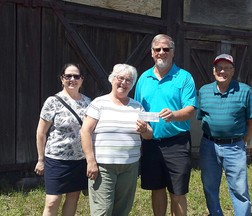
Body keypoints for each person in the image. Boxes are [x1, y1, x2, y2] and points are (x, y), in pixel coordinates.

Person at [134, 34, 198, 216]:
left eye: (166, 49)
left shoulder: (184, 77)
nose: (161, 52)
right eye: (157, 49)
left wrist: (174, 115)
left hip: (176, 143)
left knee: (177, 192)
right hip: (151, 142)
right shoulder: (143, 78)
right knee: (157, 188)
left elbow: (191, 109)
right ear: (152, 53)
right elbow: (139, 110)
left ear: (173, 52)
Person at [80, 63, 153, 216]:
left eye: (129, 80)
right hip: (103, 167)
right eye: (120, 78)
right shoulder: (99, 103)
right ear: (112, 79)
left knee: (122, 210)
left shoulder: (137, 106)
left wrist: (144, 129)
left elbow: (149, 135)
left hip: (129, 167)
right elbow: (85, 132)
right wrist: (90, 161)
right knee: (103, 210)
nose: (124, 83)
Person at [197, 54, 252, 216]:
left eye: (226, 68)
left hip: (234, 146)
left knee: (239, 189)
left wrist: (243, 140)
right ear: (213, 71)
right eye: (219, 68)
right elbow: (201, 118)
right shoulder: (204, 91)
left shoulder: (244, 90)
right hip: (208, 146)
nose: (222, 71)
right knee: (209, 186)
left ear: (233, 71)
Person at [34, 63, 91, 216]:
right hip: (56, 159)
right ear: (62, 79)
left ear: (82, 80)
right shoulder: (52, 102)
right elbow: (41, 132)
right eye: (68, 76)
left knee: (73, 197)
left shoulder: (88, 102)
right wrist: (41, 159)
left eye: (76, 76)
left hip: (79, 159)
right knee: (52, 200)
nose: (72, 79)